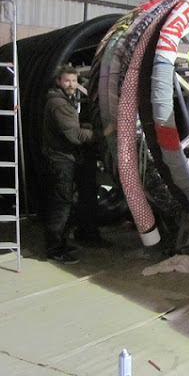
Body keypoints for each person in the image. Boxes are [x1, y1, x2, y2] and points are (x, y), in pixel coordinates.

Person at [41, 65, 109, 264]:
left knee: (64, 202)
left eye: (73, 81)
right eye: (66, 81)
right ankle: (55, 250)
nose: (71, 84)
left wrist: (84, 125)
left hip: (62, 159)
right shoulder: (59, 104)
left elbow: (72, 126)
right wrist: (103, 132)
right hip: (61, 161)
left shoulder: (61, 100)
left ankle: (61, 243)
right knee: (61, 205)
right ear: (58, 82)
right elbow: (74, 136)